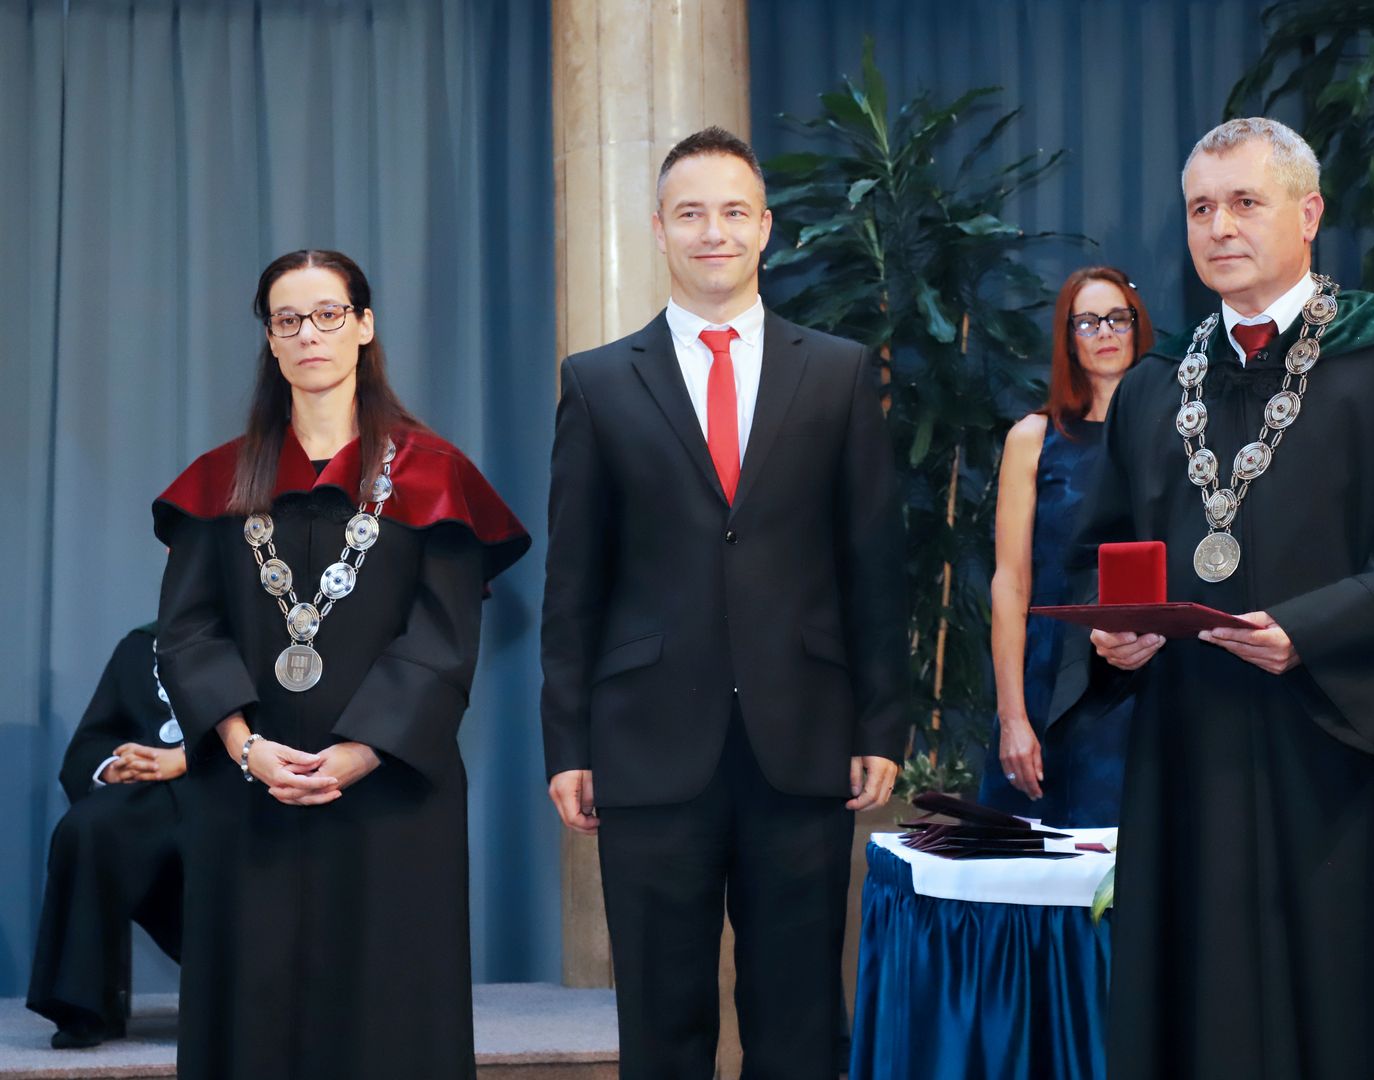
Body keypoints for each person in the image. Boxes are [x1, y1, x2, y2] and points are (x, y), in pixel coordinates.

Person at [1056, 118, 1374, 1078]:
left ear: (1309, 213)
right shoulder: (1156, 389)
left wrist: (1313, 629)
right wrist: (1113, 636)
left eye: (1245, 202)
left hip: (1359, 758)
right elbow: (1104, 552)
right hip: (1200, 754)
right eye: (1200, 208)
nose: (1219, 227)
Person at [541, 126, 908, 1080]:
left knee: (799, 1019)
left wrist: (881, 722)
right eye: (692, 213)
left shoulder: (837, 372)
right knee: (661, 1021)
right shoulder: (597, 382)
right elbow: (573, 584)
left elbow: (872, 565)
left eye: (734, 212)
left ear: (766, 228)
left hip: (804, 739)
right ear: (659, 228)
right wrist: (568, 744)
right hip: (648, 744)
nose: (715, 232)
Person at [152, 249, 529, 1080]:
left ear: (363, 326)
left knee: (387, 1022)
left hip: (392, 796)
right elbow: (186, 633)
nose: (309, 334)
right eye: (287, 320)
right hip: (247, 795)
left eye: (328, 314)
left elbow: (443, 636)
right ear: (270, 340)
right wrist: (246, 746)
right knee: (251, 1018)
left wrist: (362, 750)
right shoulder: (218, 482)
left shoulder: (435, 477)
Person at [979, 266, 1150, 826]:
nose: (1105, 332)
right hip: (1048, 677)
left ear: (1138, 327)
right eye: (1087, 322)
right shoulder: (1034, 437)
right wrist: (1012, 717)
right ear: (1068, 339)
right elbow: (1010, 582)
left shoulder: (1180, 435)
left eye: (1118, 318)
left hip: (1145, 674)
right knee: (1033, 857)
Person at [27, 622, 185, 1050]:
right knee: (88, 828)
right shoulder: (140, 647)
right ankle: (85, 1005)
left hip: (225, 790)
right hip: (147, 798)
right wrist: (112, 768)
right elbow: (91, 741)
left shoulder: (259, 642)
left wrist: (185, 759)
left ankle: (240, 1000)